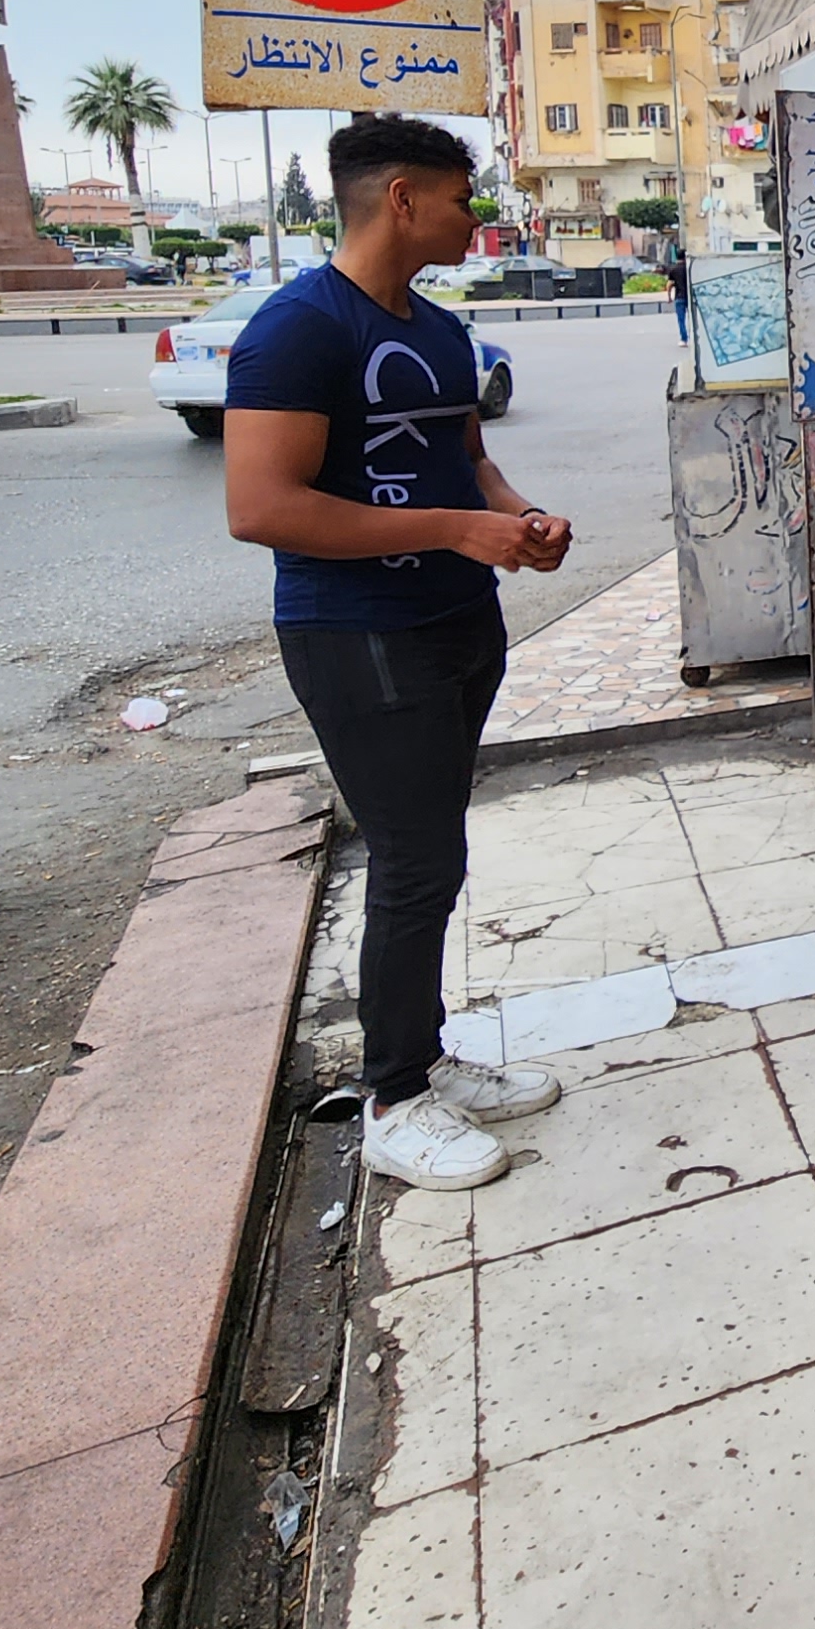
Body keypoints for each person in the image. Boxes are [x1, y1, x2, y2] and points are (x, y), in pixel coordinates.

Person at [226, 114, 575, 1193]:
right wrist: (450, 530)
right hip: (357, 634)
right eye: (464, 198)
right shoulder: (296, 329)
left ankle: (422, 1059)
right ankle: (392, 1100)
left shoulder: (435, 328)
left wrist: (519, 519)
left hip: (458, 621)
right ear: (402, 200)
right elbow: (262, 507)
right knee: (414, 861)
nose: (479, 218)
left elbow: (465, 459)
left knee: (436, 852)